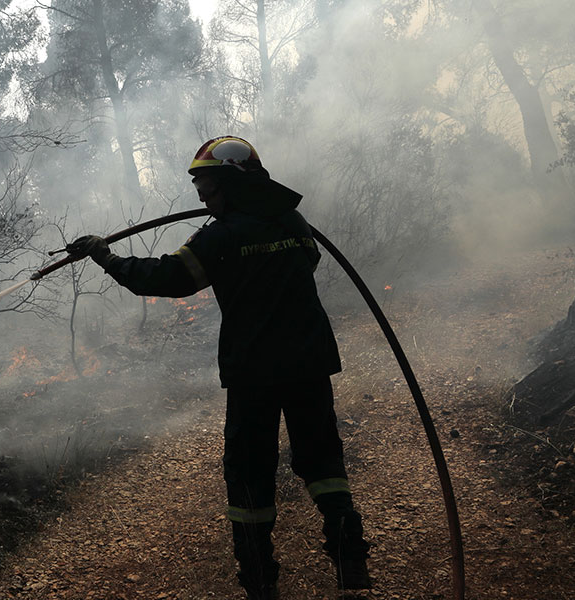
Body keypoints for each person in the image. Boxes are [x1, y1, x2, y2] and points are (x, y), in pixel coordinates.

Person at [65, 136, 371, 599]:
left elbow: (167, 278)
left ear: (232, 180)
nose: (201, 196)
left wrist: (105, 256)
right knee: (322, 458)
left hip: (254, 372)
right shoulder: (292, 220)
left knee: (249, 471)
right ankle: (350, 556)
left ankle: (260, 582)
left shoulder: (221, 237)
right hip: (309, 361)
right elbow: (309, 259)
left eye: (207, 185)